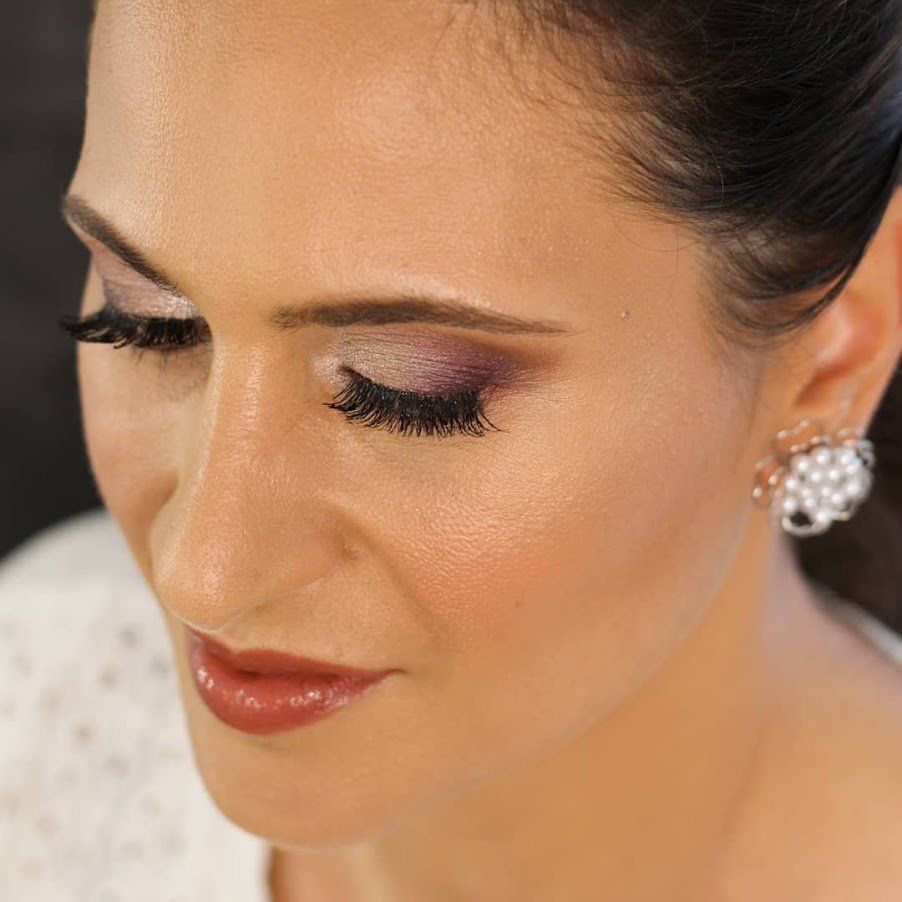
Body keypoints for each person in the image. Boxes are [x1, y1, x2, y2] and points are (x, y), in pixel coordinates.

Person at [2, 1, 901, 899]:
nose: (201, 574)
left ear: (831, 357)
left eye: (409, 395)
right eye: (147, 322)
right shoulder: (39, 693)